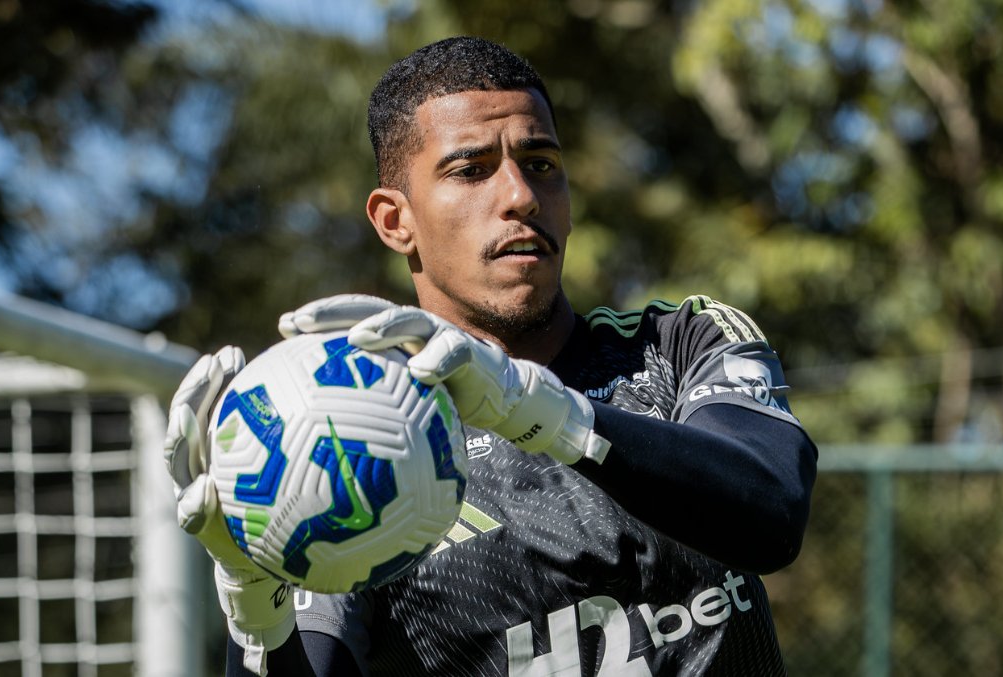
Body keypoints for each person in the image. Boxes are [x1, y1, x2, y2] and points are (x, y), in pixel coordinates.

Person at [165, 36, 818, 676]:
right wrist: (259, 611)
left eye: (540, 164)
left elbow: (771, 510)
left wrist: (535, 406)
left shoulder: (678, 343)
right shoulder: (351, 446)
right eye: (471, 169)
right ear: (396, 220)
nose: (520, 196)